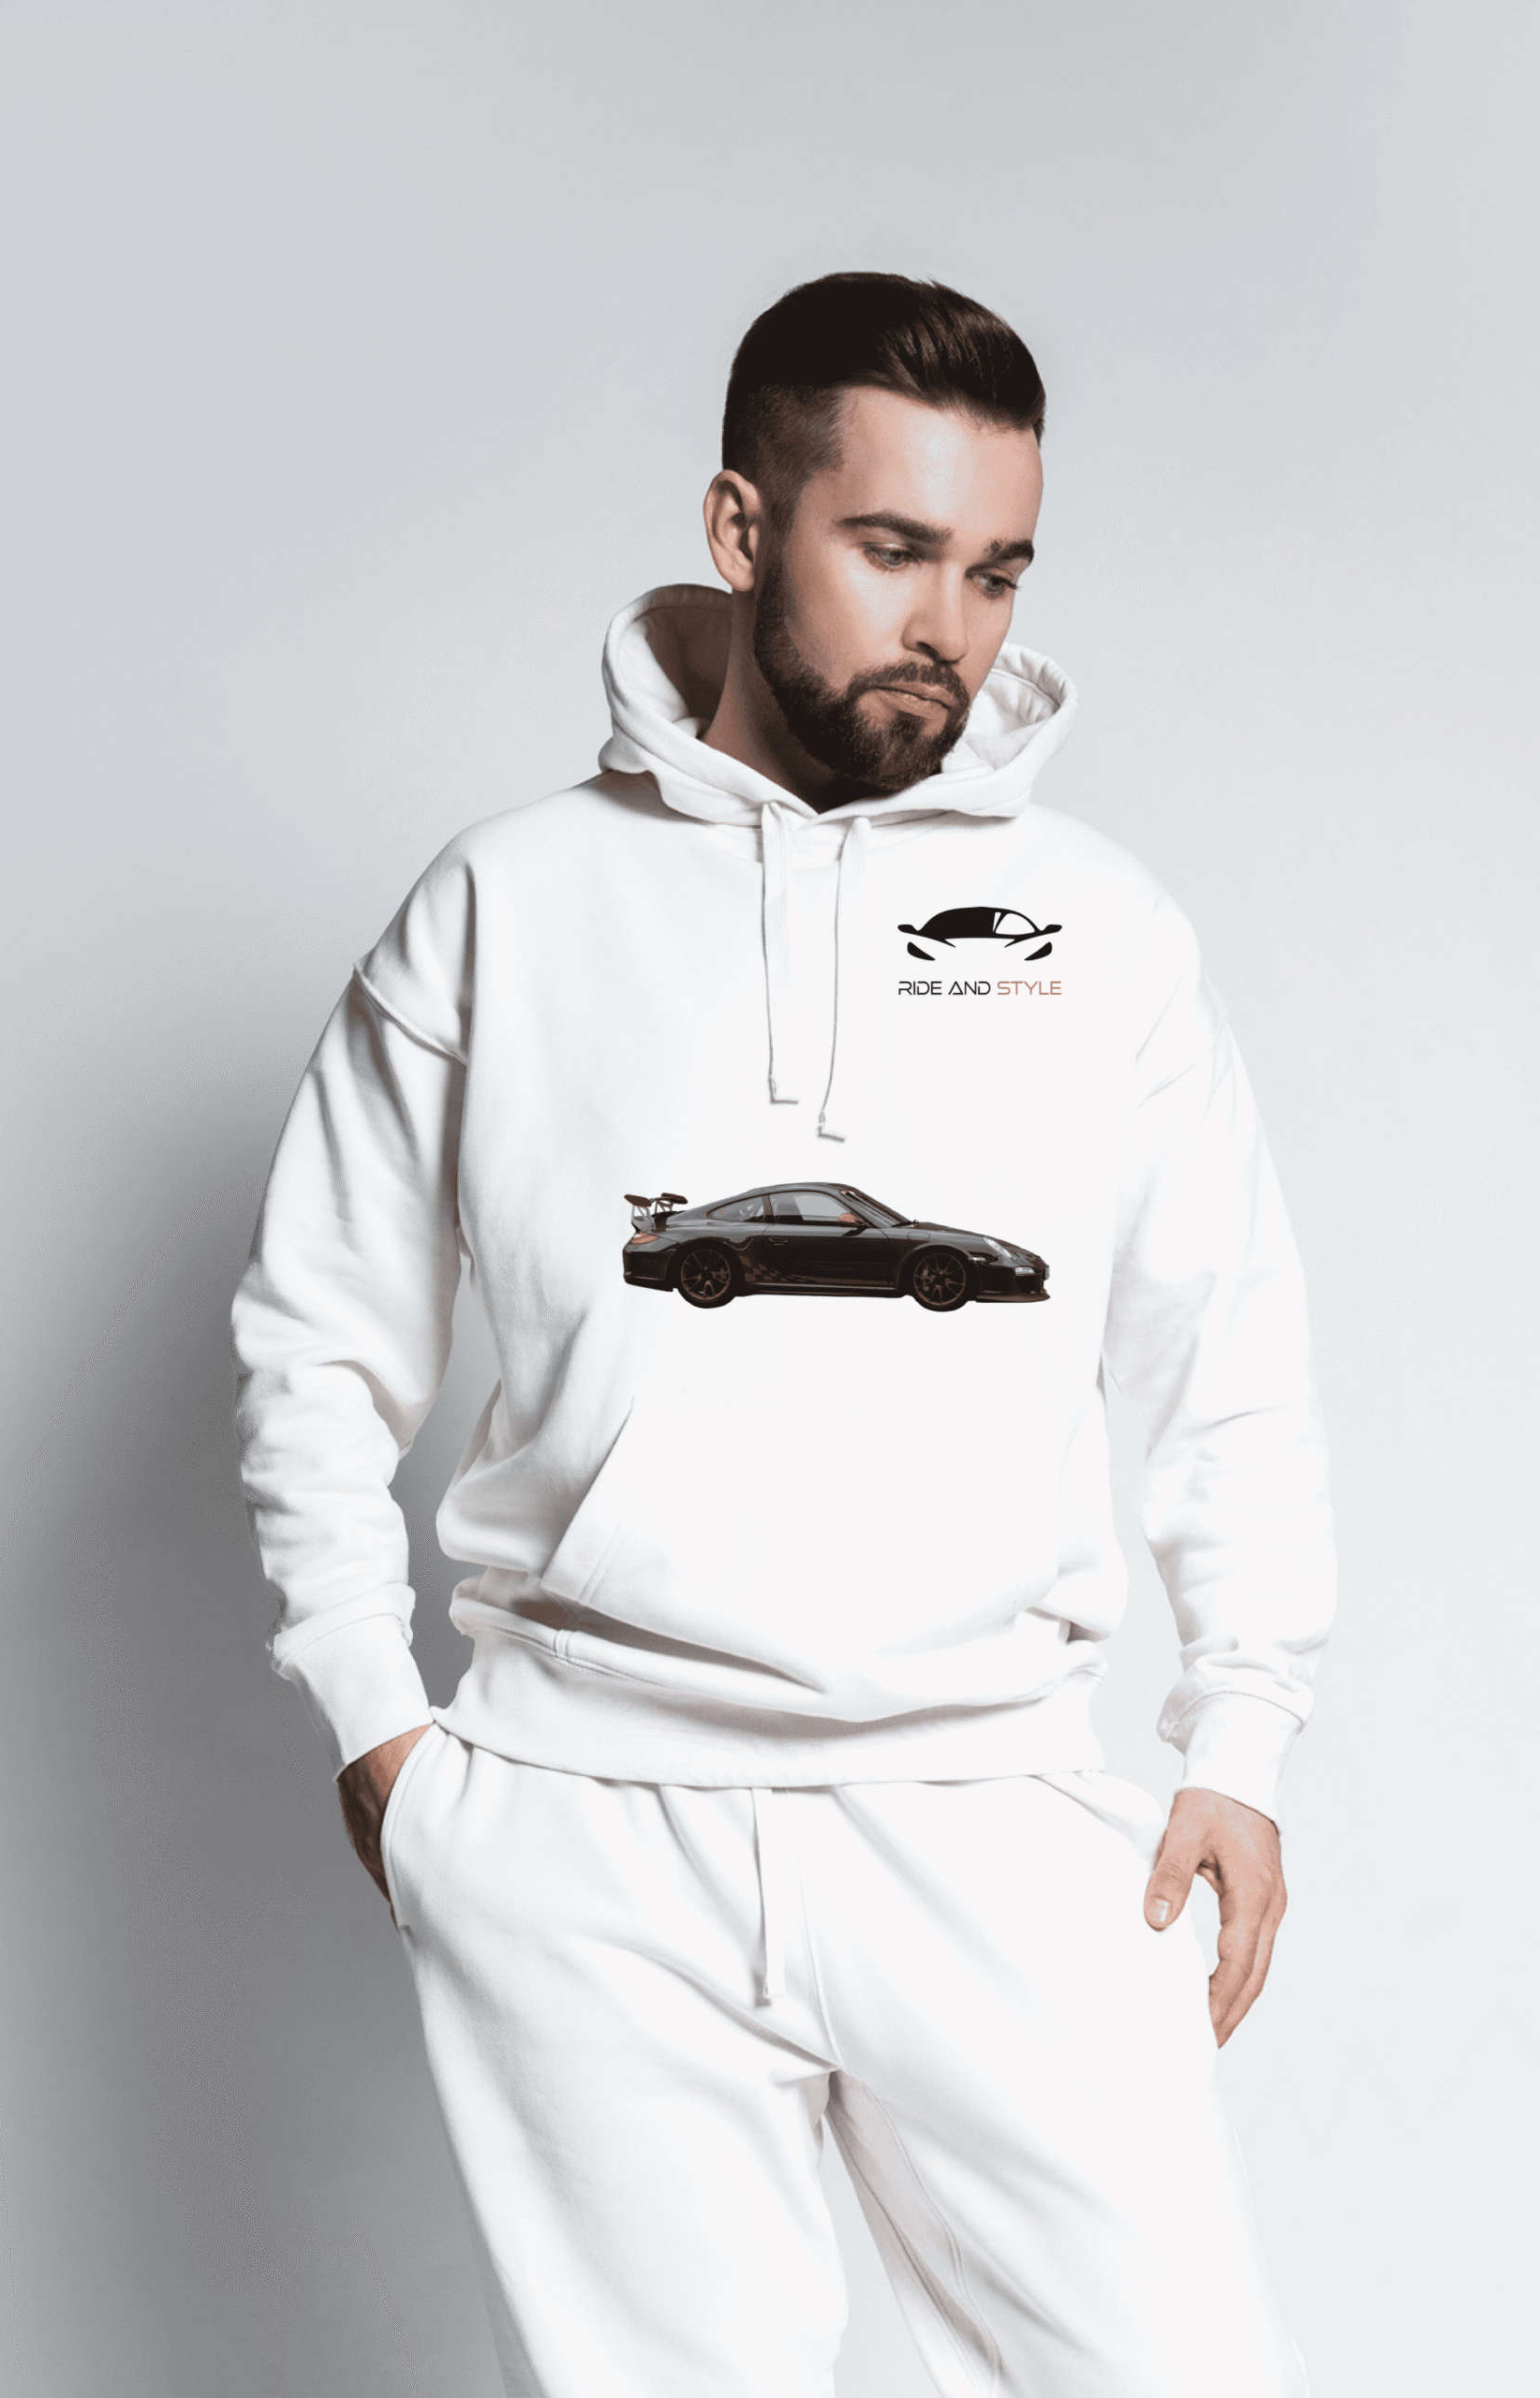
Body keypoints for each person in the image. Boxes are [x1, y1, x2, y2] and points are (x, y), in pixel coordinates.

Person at [232, 272, 1336, 2397]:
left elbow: (1229, 1351)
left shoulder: (1101, 927)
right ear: (742, 528)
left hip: (988, 1804)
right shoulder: (506, 902)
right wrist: (377, 1716)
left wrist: (1242, 1736)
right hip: (584, 1821)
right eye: (894, 548)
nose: (950, 624)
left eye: (997, 569)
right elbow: (317, 1329)